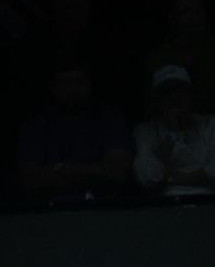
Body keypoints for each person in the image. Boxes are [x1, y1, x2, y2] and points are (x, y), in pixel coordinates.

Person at [17, 58, 131, 202]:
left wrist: (65, 171)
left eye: (79, 82)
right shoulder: (37, 126)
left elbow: (117, 173)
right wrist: (92, 175)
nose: (73, 90)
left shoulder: (111, 119)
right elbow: (30, 179)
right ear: (54, 87)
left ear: (90, 84)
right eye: (65, 83)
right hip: (49, 215)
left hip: (104, 212)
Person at [133, 64, 215, 197]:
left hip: (210, 204)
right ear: (157, 101)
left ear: (191, 95)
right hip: (164, 208)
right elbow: (147, 177)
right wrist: (172, 133)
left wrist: (171, 179)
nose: (174, 98)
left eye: (180, 91)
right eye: (167, 92)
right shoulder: (146, 131)